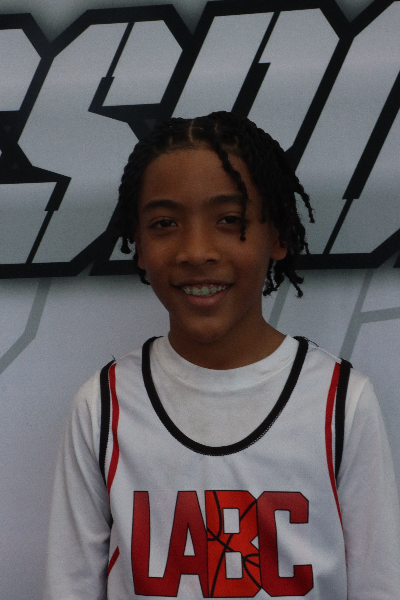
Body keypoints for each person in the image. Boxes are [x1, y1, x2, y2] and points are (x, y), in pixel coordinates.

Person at [44, 112, 400, 600]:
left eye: (229, 219)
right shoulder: (103, 406)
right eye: (165, 223)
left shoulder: (341, 402)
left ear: (278, 234)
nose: (196, 251)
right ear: (139, 245)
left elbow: (380, 584)